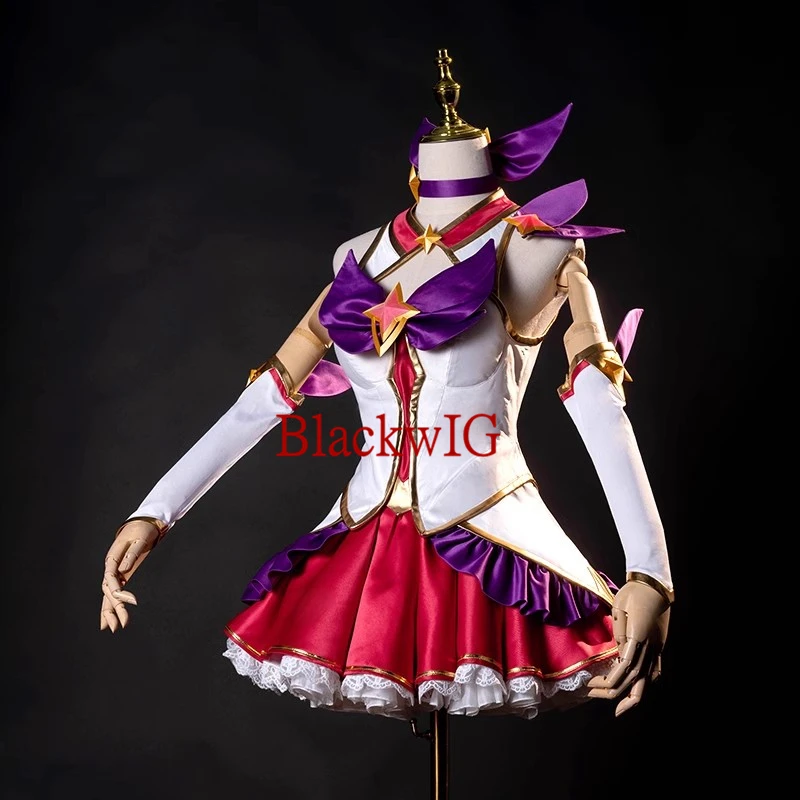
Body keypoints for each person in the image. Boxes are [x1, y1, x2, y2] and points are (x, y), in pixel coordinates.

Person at [100, 50, 673, 721]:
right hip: (365, 541)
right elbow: (265, 398)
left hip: (493, 538)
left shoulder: (541, 248)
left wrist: (650, 572)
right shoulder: (356, 256)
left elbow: (597, 400)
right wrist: (156, 510)